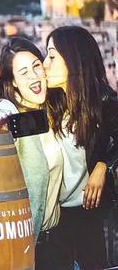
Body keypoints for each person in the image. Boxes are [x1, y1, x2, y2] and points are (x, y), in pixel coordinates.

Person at [41, 25, 118, 269]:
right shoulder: (47, 104)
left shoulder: (104, 102)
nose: (44, 64)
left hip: (92, 212)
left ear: (73, 59)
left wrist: (102, 166)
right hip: (56, 215)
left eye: (52, 56)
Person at [0, 38, 62, 248]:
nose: (34, 77)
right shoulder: (10, 110)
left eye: (36, 66)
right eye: (23, 72)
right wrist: (6, 127)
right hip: (26, 243)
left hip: (58, 240)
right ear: (12, 82)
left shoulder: (53, 109)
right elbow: (1, 120)